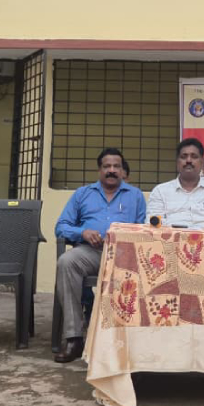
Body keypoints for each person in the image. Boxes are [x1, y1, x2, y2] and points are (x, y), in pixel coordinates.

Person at [54, 148, 146, 363]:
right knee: (66, 261)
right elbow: (61, 227)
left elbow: (143, 230)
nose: (112, 170)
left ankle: (129, 340)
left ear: (123, 171)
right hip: (90, 252)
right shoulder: (82, 194)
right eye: (107, 166)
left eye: (116, 166)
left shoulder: (135, 196)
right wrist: (82, 232)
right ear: (99, 170)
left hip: (124, 256)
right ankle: (74, 338)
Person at [147, 138, 204, 229]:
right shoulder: (160, 191)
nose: (188, 160)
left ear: (202, 162)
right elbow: (154, 224)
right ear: (177, 162)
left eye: (194, 156)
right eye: (184, 156)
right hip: (171, 241)